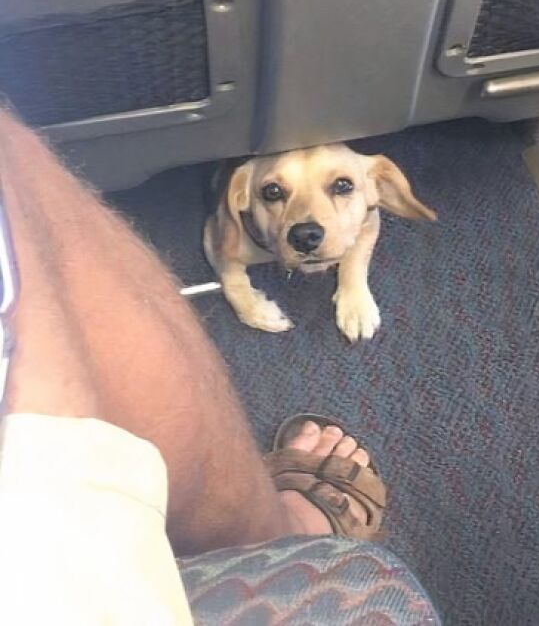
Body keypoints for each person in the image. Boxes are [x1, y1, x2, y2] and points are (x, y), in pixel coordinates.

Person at [0, 107, 392, 624]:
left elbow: (367, 225)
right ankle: (277, 532)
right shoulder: (238, 221)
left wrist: (352, 282)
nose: (307, 222)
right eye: (274, 193)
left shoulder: (371, 200)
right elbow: (226, 246)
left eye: (340, 187)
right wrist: (238, 285)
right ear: (242, 198)